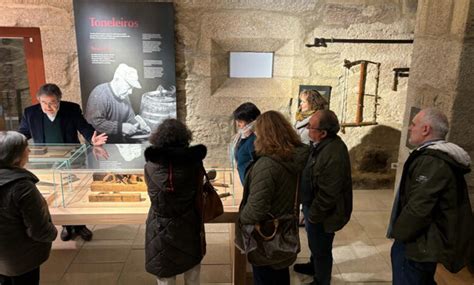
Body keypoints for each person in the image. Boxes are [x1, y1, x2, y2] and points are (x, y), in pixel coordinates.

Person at [387, 108, 473, 285]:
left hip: (417, 245)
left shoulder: (432, 161)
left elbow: (419, 208)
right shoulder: (433, 156)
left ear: (426, 129)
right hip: (423, 243)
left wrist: (400, 235)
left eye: (414, 124)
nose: (410, 128)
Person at [18, 83, 107, 242]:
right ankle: (66, 226)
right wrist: (11, 145)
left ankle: (80, 226)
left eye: (52, 103)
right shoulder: (30, 113)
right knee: (57, 195)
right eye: (44, 103)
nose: (47, 107)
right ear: (39, 100)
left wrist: (91, 139)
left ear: (59, 100)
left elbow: (84, 127)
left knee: (73, 193)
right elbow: (22, 134)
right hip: (45, 161)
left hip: (72, 158)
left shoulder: (71, 109)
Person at [238, 111, 309, 285]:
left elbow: (256, 209)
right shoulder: (295, 157)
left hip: (268, 234)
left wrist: (240, 218)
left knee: (266, 276)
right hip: (285, 226)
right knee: (280, 273)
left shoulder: (267, 165)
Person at [293, 110, 353, 285]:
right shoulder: (322, 145)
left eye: (310, 127)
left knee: (321, 248)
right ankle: (314, 267)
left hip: (324, 213)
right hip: (313, 207)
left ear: (323, 133)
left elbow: (328, 194)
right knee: (315, 244)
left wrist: (313, 215)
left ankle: (322, 280)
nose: (307, 129)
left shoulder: (333, 154)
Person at [144, 119, 206, 285]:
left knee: (165, 276)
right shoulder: (194, 164)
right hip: (187, 223)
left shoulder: (150, 165)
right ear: (184, 137)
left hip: (159, 225)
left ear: (158, 138)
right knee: (192, 274)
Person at [0, 131, 58, 285]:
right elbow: (39, 230)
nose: (30, 151)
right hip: (20, 258)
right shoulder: (21, 186)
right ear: (16, 155)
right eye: (27, 148)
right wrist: (52, 232)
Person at [85, 63, 150, 143]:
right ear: (117, 79)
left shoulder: (124, 95)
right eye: (128, 86)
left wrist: (138, 124)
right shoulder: (100, 94)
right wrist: (120, 127)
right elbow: (94, 122)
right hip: (100, 144)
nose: (130, 92)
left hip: (118, 144)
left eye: (132, 88)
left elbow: (129, 116)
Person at [231, 102, 261, 185]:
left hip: (252, 184)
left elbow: (259, 168)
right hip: (246, 181)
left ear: (251, 121)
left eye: (240, 121)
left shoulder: (255, 139)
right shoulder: (243, 137)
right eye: (237, 121)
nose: (238, 125)